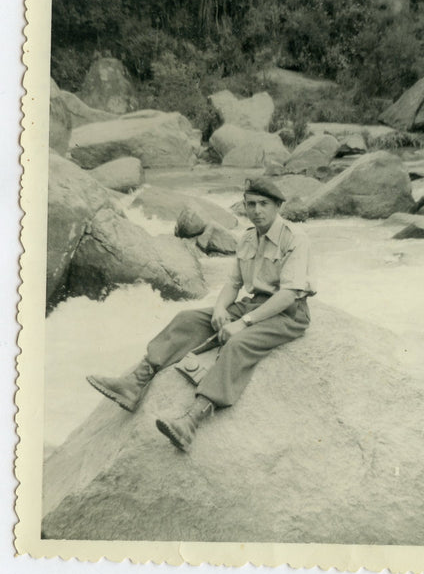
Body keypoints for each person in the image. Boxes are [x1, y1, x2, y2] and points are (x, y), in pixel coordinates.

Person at [87, 177, 316, 452]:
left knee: (238, 343)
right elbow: (233, 284)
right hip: (254, 303)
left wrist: (243, 322)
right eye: (251, 204)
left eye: (263, 204)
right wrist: (221, 309)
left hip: (287, 313)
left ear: (278, 206)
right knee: (187, 319)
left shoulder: (294, 239)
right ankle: (135, 383)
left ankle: (191, 421)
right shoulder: (247, 238)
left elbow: (289, 294)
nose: (256, 210)